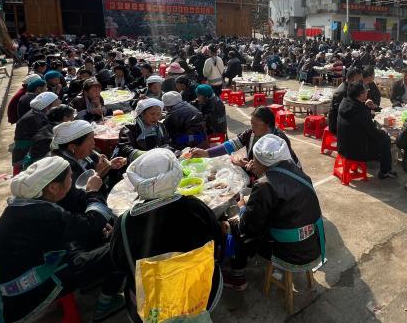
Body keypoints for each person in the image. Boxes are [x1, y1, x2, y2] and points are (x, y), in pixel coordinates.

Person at [0, 157, 125, 323]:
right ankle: (104, 305)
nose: (72, 181)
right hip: (32, 291)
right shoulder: (42, 214)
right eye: (70, 178)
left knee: (97, 237)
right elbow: (92, 223)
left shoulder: (21, 206)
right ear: (53, 187)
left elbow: (71, 226)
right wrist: (93, 192)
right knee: (120, 245)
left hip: (17, 285)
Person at [109, 149, 223, 321]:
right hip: (201, 296)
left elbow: (119, 264)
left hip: (152, 309)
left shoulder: (124, 223)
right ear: (176, 177)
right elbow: (217, 246)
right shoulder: (197, 208)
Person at [224, 134, 325, 291]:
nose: (252, 162)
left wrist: (242, 206)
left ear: (263, 162)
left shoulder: (264, 185)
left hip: (290, 252)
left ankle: (237, 278)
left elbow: (249, 227)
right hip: (312, 244)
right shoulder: (297, 171)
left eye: (255, 159)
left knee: (237, 229)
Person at [50, 120, 126, 214]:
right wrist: (97, 172)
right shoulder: (62, 168)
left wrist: (108, 166)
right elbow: (79, 200)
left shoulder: (84, 156)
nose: (94, 144)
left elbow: (94, 179)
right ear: (72, 147)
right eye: (90, 140)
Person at [188, 106, 299, 166]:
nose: (252, 127)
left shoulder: (279, 140)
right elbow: (231, 144)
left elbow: (279, 168)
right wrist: (207, 153)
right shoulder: (251, 133)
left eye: (255, 125)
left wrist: (251, 166)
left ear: (268, 125)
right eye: (251, 123)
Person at [337, 83, 397, 179]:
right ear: (360, 95)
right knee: (385, 139)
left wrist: (366, 106)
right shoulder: (360, 110)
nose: (367, 94)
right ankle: (385, 171)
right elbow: (372, 132)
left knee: (381, 137)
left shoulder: (344, 102)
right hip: (355, 150)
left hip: (342, 145)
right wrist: (382, 132)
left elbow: (358, 117)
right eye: (365, 92)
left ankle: (382, 162)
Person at [13, 92, 61, 174]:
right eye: (57, 101)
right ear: (48, 105)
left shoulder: (37, 114)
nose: (60, 102)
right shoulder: (36, 119)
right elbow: (44, 139)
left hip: (25, 151)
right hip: (25, 153)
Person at [25, 104, 76, 169]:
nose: (74, 119)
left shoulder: (46, 128)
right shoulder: (60, 134)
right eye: (72, 116)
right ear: (65, 118)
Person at [328, 67, 363, 134]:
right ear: (353, 79)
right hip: (337, 125)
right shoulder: (341, 92)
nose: (360, 83)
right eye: (359, 80)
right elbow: (342, 112)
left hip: (345, 120)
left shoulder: (349, 87)